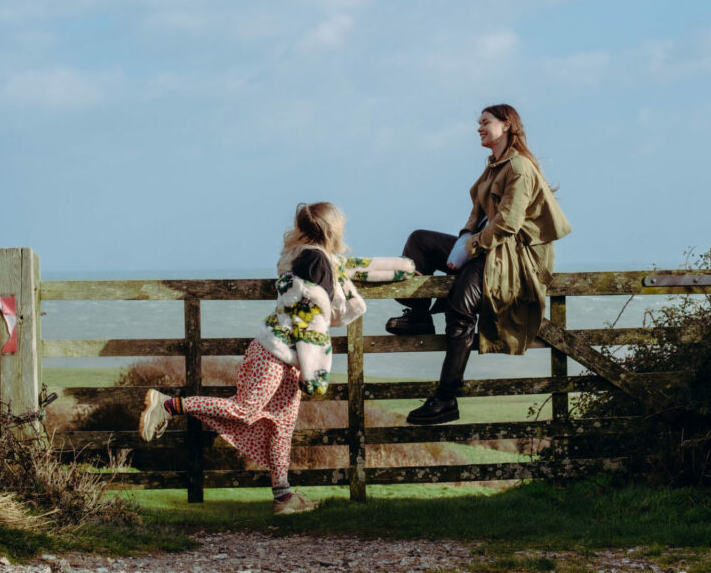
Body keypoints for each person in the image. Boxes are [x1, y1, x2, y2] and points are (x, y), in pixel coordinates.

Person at [138, 202, 365, 514]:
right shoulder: (314, 260)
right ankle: (167, 405)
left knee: (282, 426)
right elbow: (306, 318)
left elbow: (340, 283)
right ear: (331, 229)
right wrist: (312, 368)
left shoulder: (315, 258)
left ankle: (283, 498)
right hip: (276, 352)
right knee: (245, 410)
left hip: (289, 356)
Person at [386, 104, 571, 425]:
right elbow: (478, 215)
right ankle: (417, 316)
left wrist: (469, 247)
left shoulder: (519, 168)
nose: (479, 128)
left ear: (507, 125)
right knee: (420, 241)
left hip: (511, 255)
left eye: (485, 122)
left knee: (460, 308)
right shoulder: (493, 167)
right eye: (479, 123)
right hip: (486, 247)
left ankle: (445, 399)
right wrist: (462, 240)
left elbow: (509, 224)